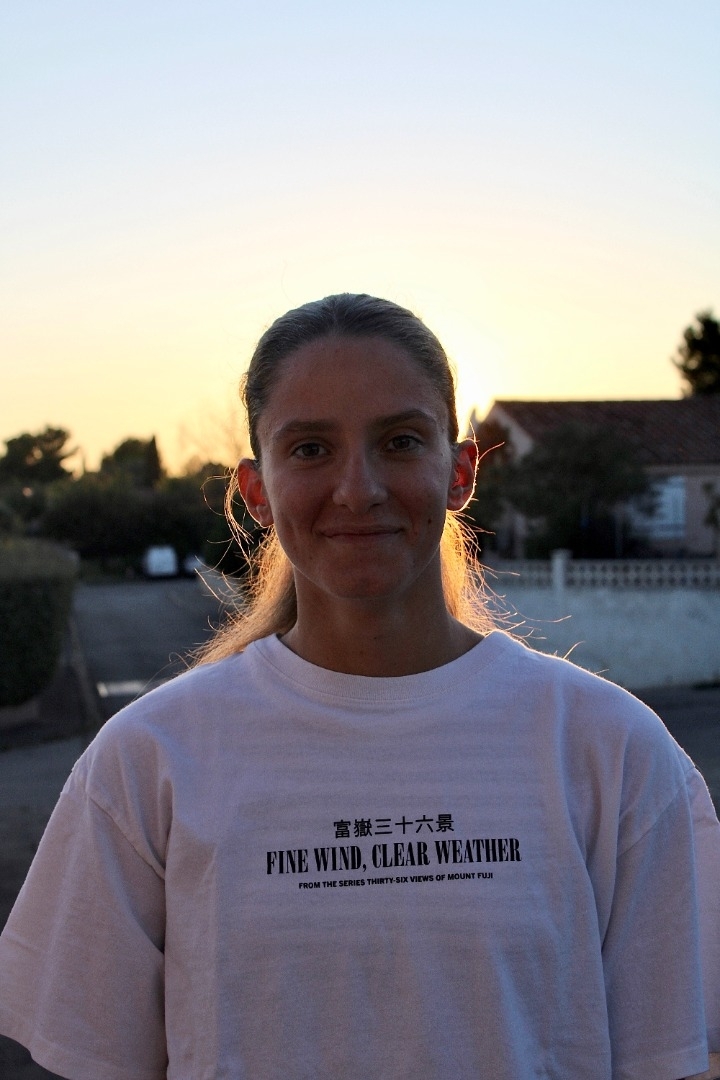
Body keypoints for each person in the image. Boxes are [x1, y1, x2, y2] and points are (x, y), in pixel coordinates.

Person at [0, 293, 718, 1080]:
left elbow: (674, 1058)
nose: (358, 488)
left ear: (460, 472)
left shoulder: (613, 751)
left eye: (400, 441)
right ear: (256, 490)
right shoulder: (148, 762)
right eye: (310, 449)